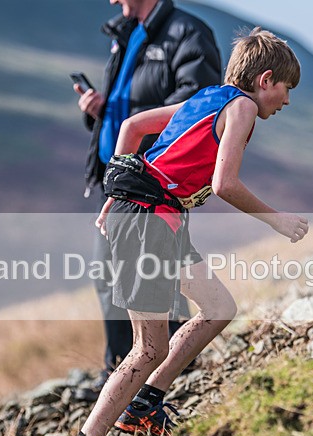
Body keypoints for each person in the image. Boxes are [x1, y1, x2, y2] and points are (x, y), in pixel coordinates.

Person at [70, 28, 308, 436]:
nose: (286, 101)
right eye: (286, 90)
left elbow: (132, 125)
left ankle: (145, 406)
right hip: (148, 223)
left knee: (219, 308)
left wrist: (116, 192)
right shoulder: (243, 108)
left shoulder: (208, 97)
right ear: (266, 79)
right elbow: (224, 184)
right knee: (148, 349)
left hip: (161, 222)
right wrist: (277, 220)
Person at [74, 0, 222, 396]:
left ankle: (171, 377)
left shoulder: (188, 33)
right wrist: (99, 111)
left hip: (155, 183)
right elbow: (128, 105)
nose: (111, 0)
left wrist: (147, 158)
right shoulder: (126, 34)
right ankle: (123, 373)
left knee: (159, 277)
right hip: (123, 181)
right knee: (110, 276)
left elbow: (198, 109)